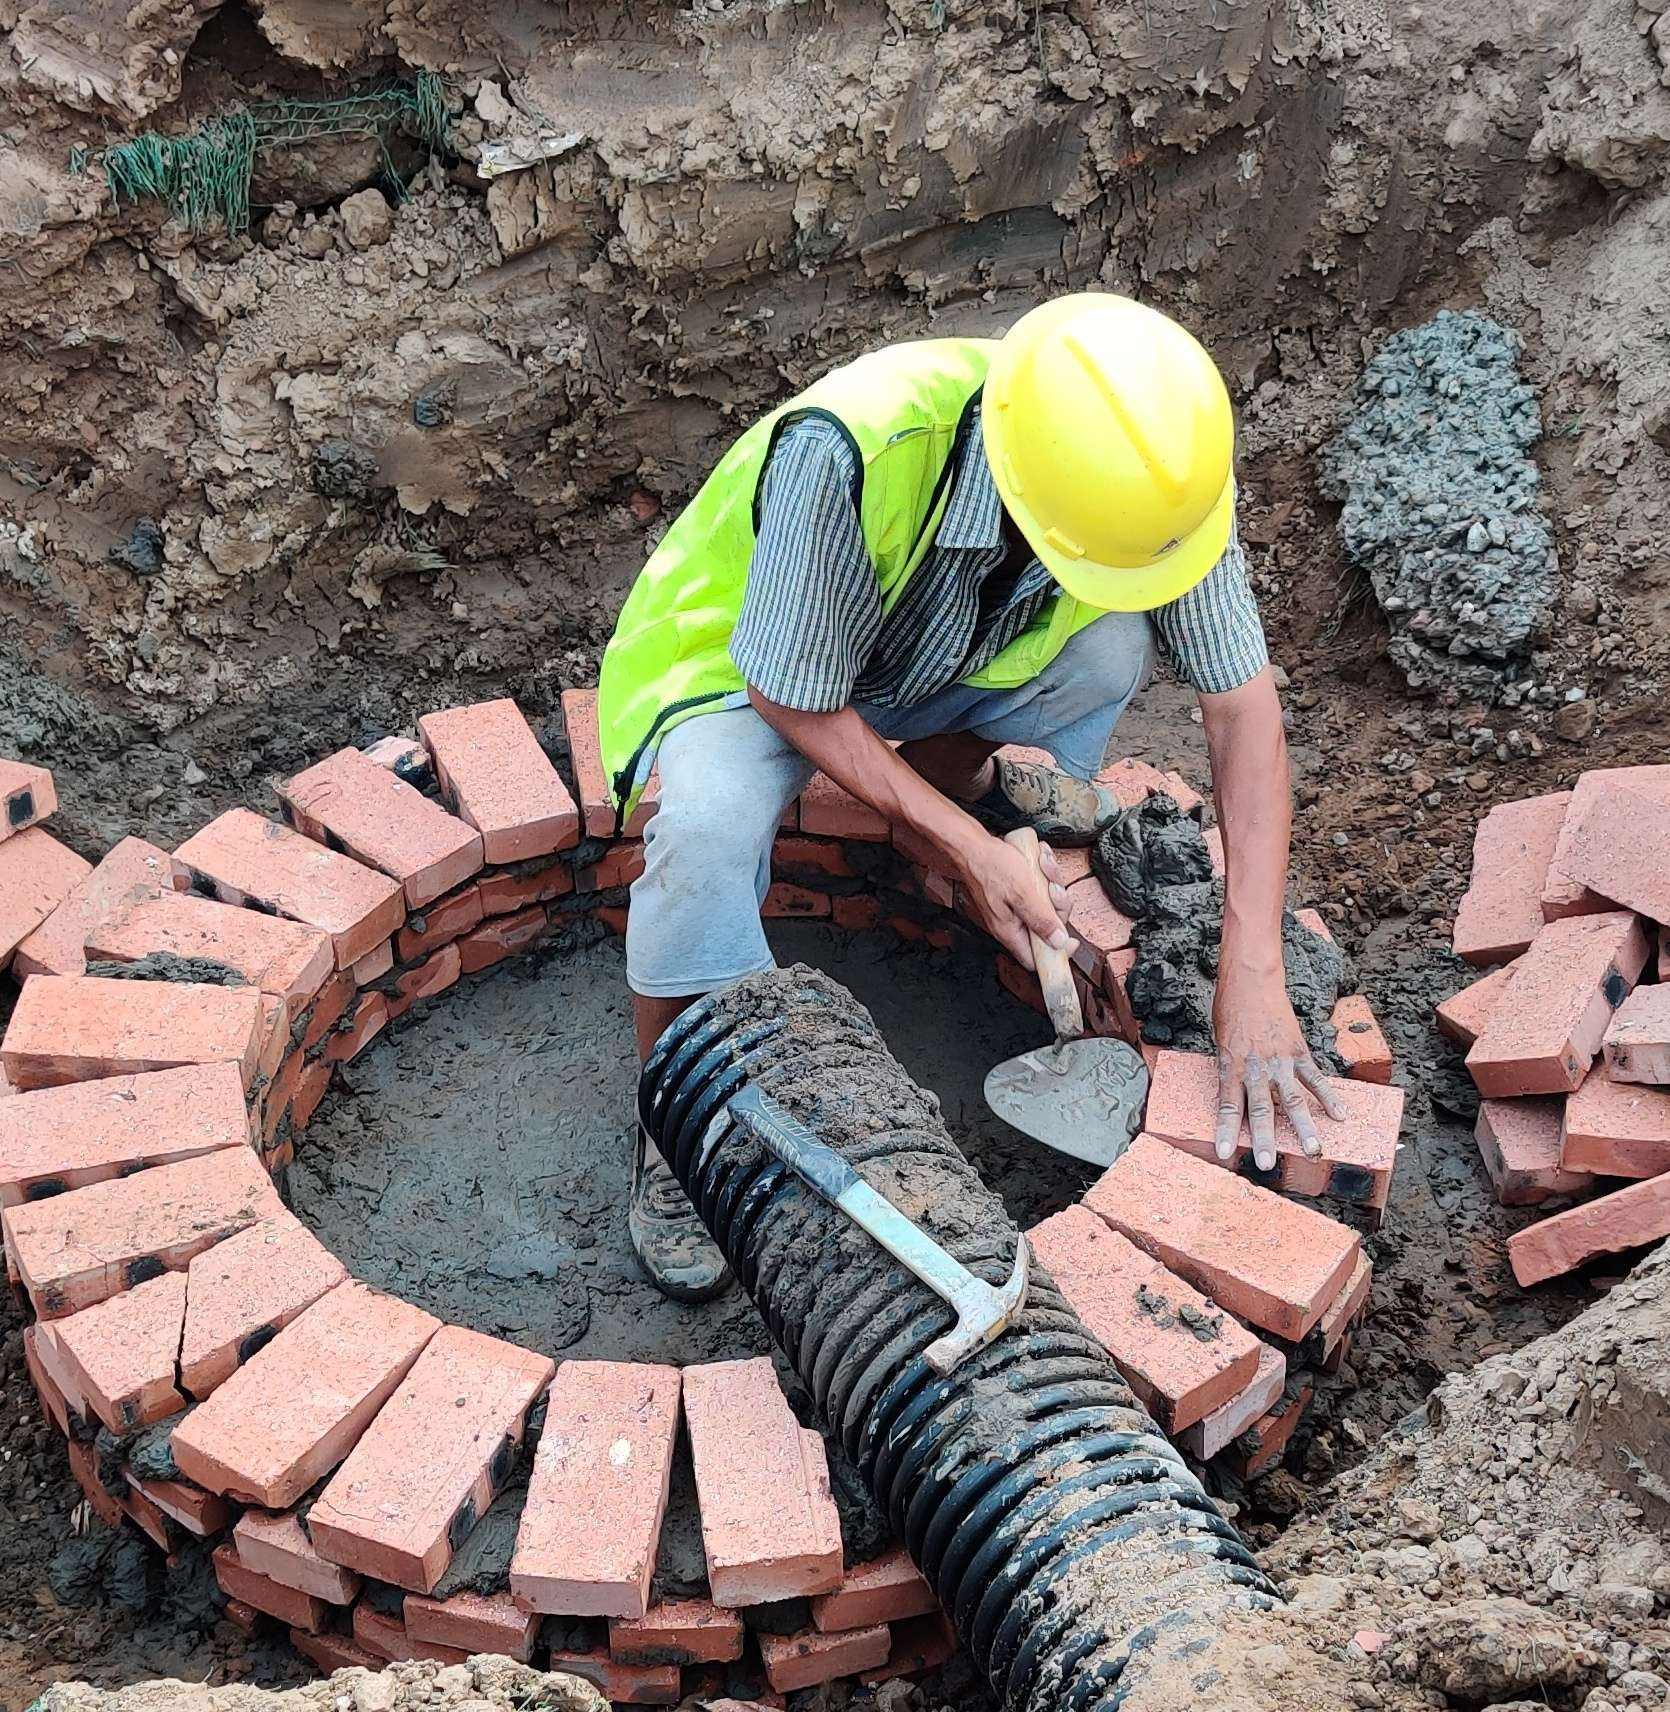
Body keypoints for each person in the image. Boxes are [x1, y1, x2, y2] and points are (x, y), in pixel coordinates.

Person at [597, 292, 1344, 1302]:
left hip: (918, 657)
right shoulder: (858, 447)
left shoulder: (1149, 484)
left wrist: (1249, 966)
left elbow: (1239, 713)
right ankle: (674, 1115)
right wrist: (966, 848)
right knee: (707, 830)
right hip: (739, 663)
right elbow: (791, 690)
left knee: (1104, 645)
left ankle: (947, 799)